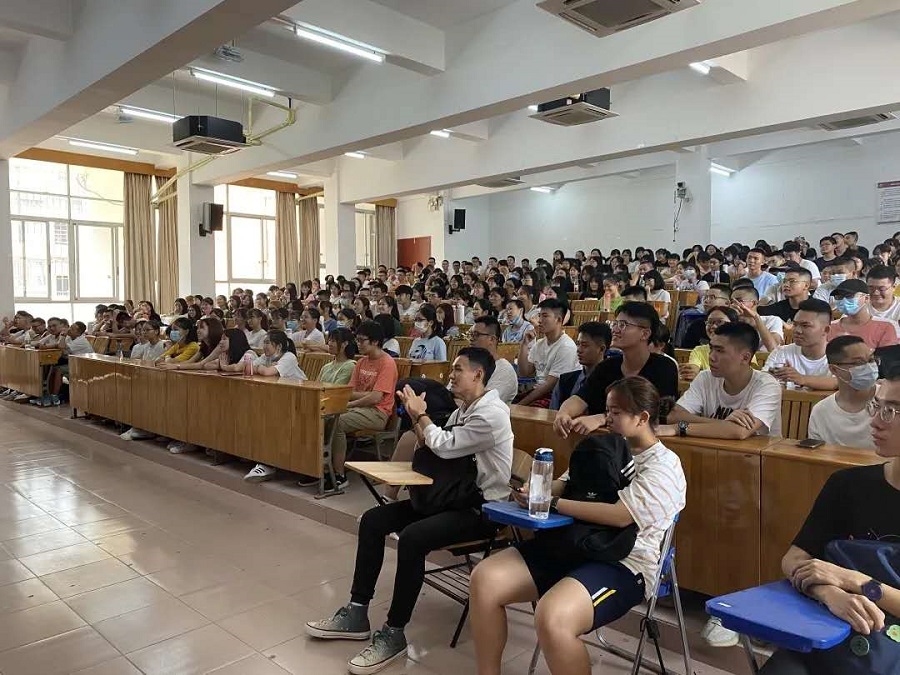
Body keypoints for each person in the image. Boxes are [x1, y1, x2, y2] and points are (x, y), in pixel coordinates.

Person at [305, 347, 512, 675]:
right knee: (373, 520)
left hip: (483, 509)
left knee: (414, 538)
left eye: (458, 369)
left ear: (478, 374)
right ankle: (357, 611)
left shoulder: (492, 414)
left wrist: (421, 415)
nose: (451, 375)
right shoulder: (465, 408)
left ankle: (394, 632)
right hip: (451, 498)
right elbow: (430, 444)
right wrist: (417, 416)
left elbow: (445, 446)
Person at [469, 376, 686, 675]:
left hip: (624, 562)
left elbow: (620, 516)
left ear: (643, 418)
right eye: (607, 411)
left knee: (553, 617)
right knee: (485, 579)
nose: (607, 418)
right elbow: (566, 483)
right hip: (576, 543)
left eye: (616, 412)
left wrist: (552, 503)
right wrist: (536, 492)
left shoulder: (664, 465)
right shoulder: (602, 449)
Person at [757, 368, 900, 675]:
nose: (875, 421)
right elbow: (794, 559)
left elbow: (850, 579)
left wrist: (858, 582)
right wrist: (827, 593)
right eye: (877, 406)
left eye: (891, 411)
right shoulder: (848, 484)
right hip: (833, 632)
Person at [554, 302, 678, 439]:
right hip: (603, 440)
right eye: (615, 324)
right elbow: (580, 398)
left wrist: (603, 418)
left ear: (645, 334)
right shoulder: (606, 366)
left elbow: (656, 414)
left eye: (623, 325)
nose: (615, 330)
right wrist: (563, 413)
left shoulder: (664, 367)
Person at [665, 322, 782, 441]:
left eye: (720, 351)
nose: (711, 357)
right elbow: (674, 415)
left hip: (758, 452)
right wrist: (724, 425)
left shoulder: (767, 385)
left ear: (745, 358)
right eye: (711, 349)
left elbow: (740, 431)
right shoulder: (705, 377)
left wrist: (679, 428)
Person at [329, 321, 399, 490]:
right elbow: (350, 391)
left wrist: (352, 403)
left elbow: (376, 398)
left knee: (337, 422)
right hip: (360, 408)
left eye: (361, 340)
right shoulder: (361, 362)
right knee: (325, 417)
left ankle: (339, 475)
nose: (358, 344)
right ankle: (323, 468)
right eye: (357, 340)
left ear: (375, 341)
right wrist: (359, 398)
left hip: (378, 413)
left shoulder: (387, 363)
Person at [244, 331, 308, 482]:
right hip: (280, 399)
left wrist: (262, 369)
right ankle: (259, 458)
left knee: (268, 420)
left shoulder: (289, 357)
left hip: (301, 401)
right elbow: (248, 368)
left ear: (278, 346)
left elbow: (267, 372)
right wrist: (262, 368)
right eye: (264, 342)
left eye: (267, 343)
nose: (264, 346)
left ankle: (267, 463)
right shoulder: (266, 357)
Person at [807, 335, 877, 449]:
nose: (869, 367)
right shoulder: (821, 411)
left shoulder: (890, 401)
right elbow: (816, 454)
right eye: (858, 363)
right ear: (834, 369)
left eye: (871, 360)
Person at [517, 299, 579, 407]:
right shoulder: (540, 344)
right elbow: (524, 372)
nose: (539, 320)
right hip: (539, 392)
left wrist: (520, 405)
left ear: (558, 319)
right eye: (539, 316)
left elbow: (549, 386)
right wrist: (524, 344)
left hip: (556, 397)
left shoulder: (566, 347)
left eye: (545, 316)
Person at [763, 299, 837, 391]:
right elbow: (763, 380)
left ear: (826, 330)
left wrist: (802, 379)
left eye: (805, 326)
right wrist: (771, 378)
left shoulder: (839, 356)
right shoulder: (782, 352)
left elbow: (838, 382)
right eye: (795, 324)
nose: (797, 330)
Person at [549, 322, 610, 410]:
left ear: (601, 349)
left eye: (584, 345)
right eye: (578, 344)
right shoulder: (565, 380)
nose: (579, 350)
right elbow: (553, 412)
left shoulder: (610, 383)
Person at [829, 279, 899, 349]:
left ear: (866, 298)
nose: (844, 300)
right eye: (839, 297)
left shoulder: (886, 327)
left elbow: (889, 355)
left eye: (849, 296)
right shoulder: (830, 327)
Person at [680, 306, 742, 381]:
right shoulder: (699, 350)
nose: (713, 326)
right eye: (709, 322)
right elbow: (694, 370)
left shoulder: (743, 349)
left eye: (720, 322)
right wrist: (691, 372)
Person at [731, 283, 784, 352]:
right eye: (732, 301)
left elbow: (773, 349)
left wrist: (756, 317)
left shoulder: (772, 320)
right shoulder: (731, 321)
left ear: (754, 303)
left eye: (739, 301)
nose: (734, 305)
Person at [866, 265, 900, 334]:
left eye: (882, 289)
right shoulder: (860, 305)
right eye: (871, 288)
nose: (876, 293)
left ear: (894, 287)